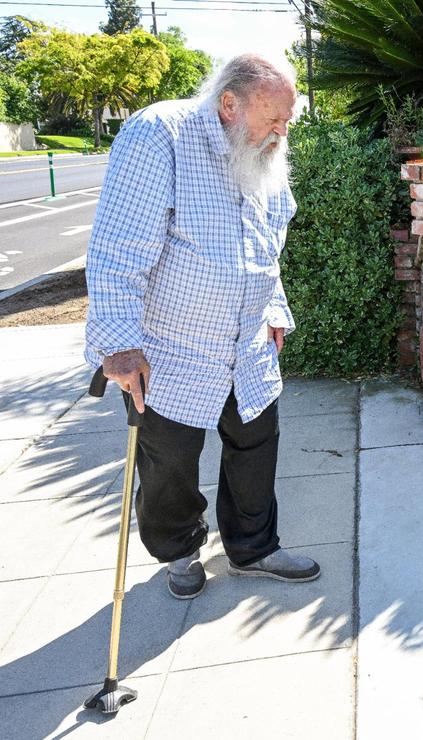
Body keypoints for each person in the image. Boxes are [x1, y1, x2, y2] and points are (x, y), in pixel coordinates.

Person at [84, 54, 319, 599]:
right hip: (170, 347)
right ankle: (179, 551)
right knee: (168, 463)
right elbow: (118, 247)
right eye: (272, 119)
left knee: (257, 443)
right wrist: (118, 343)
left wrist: (275, 306)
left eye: (288, 121)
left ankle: (254, 547)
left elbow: (267, 240)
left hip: (247, 341)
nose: (281, 133)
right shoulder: (158, 134)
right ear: (229, 103)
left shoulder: (263, 147)